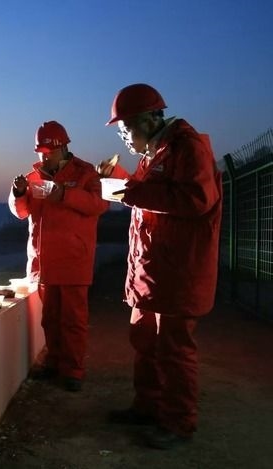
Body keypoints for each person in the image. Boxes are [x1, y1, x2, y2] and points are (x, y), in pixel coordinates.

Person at [97, 83, 222, 449]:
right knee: (146, 342)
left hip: (177, 272)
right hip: (152, 271)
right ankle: (148, 407)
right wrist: (122, 181)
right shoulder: (157, 152)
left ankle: (178, 424)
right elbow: (152, 195)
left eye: (125, 128)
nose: (123, 137)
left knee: (173, 349)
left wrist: (131, 191)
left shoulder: (188, 147)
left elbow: (195, 199)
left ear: (149, 120)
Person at [8, 121, 108, 392]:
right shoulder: (33, 177)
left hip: (74, 260)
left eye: (48, 152)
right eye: (40, 152)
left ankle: (73, 370)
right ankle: (54, 363)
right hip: (44, 262)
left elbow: (99, 205)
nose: (44, 157)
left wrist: (64, 194)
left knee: (73, 320)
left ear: (62, 147)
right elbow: (21, 212)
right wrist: (18, 193)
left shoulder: (86, 173)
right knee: (50, 318)